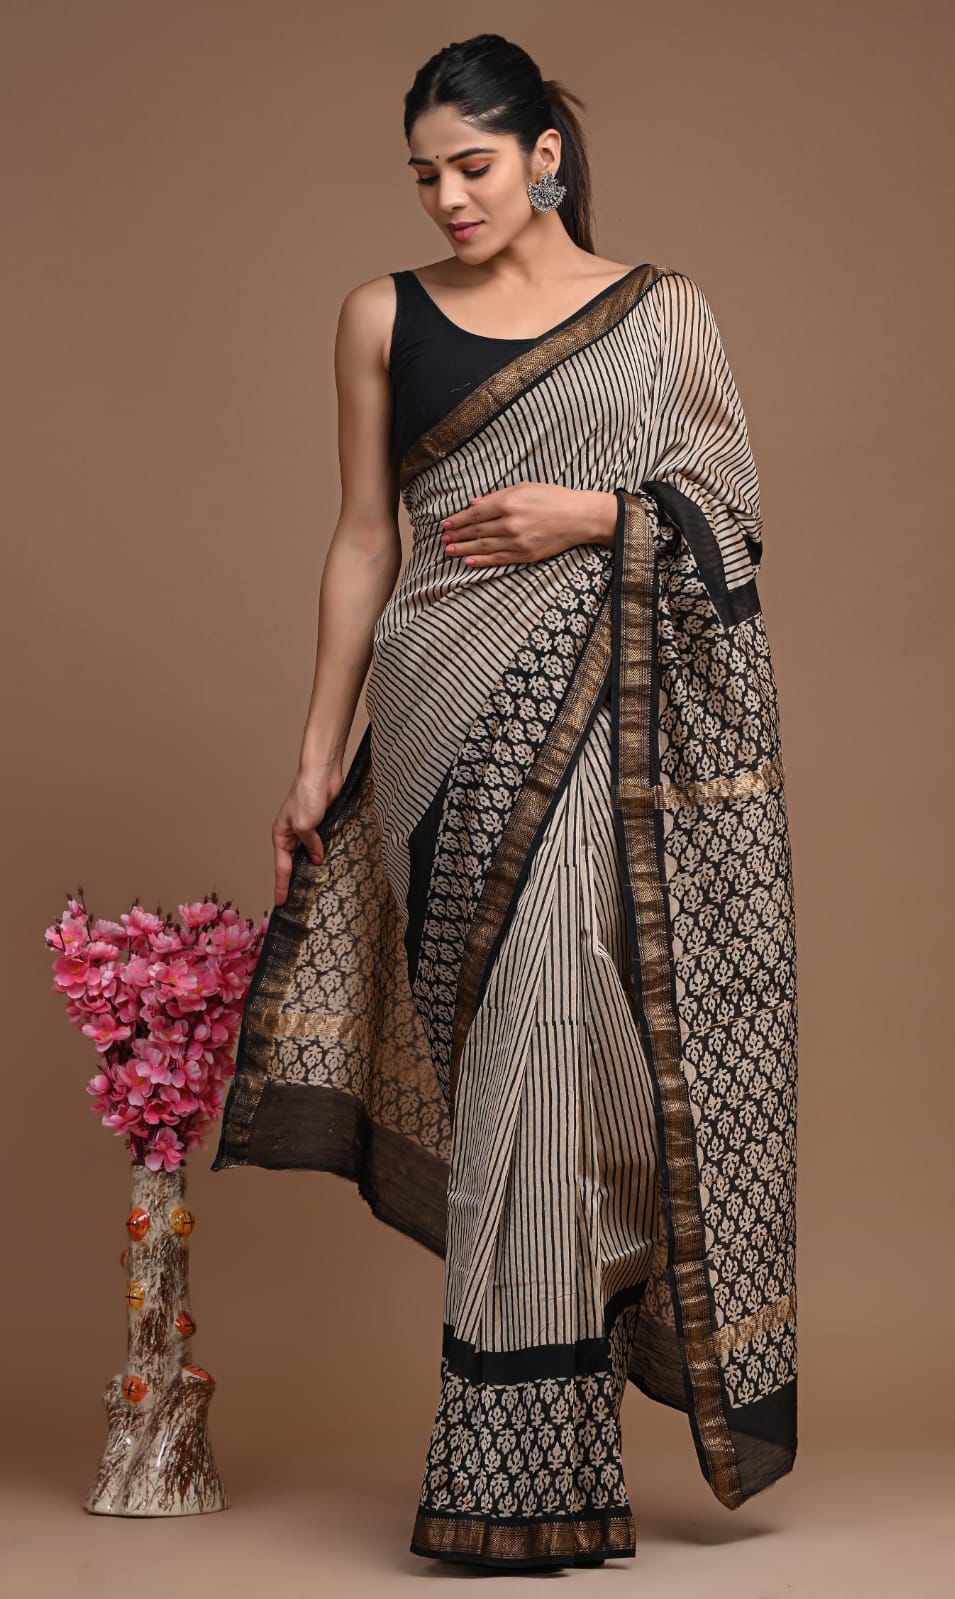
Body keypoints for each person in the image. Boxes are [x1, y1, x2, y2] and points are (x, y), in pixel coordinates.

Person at [211, 30, 799, 1573]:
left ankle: (535, 1405)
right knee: (514, 1047)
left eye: (471, 166)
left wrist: (593, 513)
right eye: (425, 176)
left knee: (572, 1031)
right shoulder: (379, 315)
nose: (447, 198)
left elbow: (732, 516)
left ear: (545, 154)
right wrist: (314, 748)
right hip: (437, 715)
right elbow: (361, 541)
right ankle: (529, 1438)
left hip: (612, 725)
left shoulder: (665, 315)